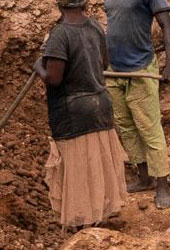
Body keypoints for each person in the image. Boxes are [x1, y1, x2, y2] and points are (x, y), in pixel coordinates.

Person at [34, 0, 129, 228]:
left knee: (78, 172)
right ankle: (96, 219)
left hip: (73, 112)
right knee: (95, 167)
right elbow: (103, 62)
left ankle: (81, 226)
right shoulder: (95, 26)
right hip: (100, 105)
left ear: (59, 4)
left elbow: (54, 79)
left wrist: (39, 66)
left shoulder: (60, 35)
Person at [103, 0, 170, 209]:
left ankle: (162, 184)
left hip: (141, 69)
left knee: (149, 128)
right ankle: (144, 177)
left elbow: (167, 25)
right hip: (114, 70)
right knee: (125, 126)